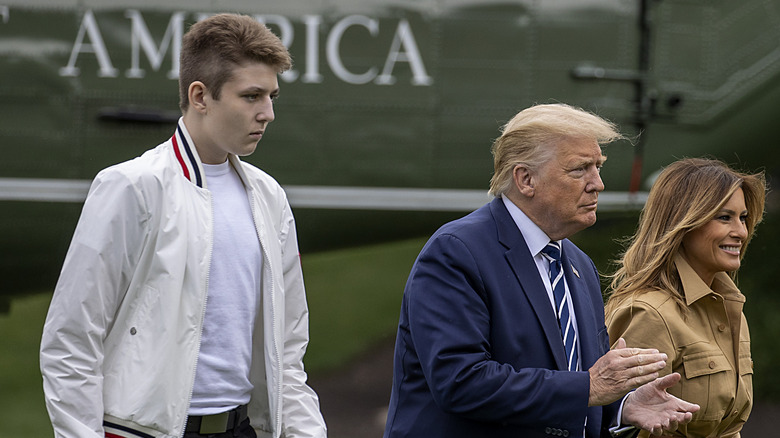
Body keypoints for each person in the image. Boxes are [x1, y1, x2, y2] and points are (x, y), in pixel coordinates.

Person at [40, 13, 327, 438]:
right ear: (200, 96)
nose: (267, 113)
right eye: (251, 96)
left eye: (272, 97)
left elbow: (286, 349)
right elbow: (71, 343)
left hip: (243, 429)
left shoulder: (269, 198)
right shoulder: (131, 187)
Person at [383, 103, 700, 438]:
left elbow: (577, 385)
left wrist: (622, 408)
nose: (597, 184)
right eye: (580, 170)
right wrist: (588, 388)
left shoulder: (579, 265)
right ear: (525, 179)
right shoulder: (457, 251)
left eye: (598, 167)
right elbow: (461, 382)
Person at [605, 158, 765, 437]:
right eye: (724, 217)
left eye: (743, 218)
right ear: (685, 222)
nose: (740, 231)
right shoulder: (649, 313)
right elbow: (622, 426)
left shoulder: (730, 307)